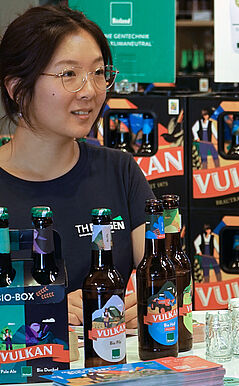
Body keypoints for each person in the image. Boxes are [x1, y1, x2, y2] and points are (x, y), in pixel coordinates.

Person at [0, 6, 155, 328]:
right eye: (68, 74)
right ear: (17, 89)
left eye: (99, 73)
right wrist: (40, 310)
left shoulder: (121, 171)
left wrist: (152, 293)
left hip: (111, 365)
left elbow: (162, 263)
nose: (89, 91)